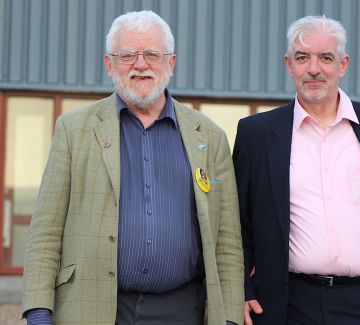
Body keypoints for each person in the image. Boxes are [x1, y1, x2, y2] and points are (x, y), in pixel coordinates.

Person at [22, 10, 244, 325]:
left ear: (171, 62)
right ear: (109, 64)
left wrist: (230, 317)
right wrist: (39, 312)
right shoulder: (74, 130)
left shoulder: (209, 137)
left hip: (183, 311)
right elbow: (46, 230)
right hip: (93, 308)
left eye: (152, 54)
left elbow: (227, 241)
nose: (140, 65)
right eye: (127, 55)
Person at [233, 15, 360, 325]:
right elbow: (238, 222)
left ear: (342, 65)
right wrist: (243, 289)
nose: (313, 68)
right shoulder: (257, 134)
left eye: (325, 58)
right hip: (287, 306)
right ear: (289, 65)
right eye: (303, 58)